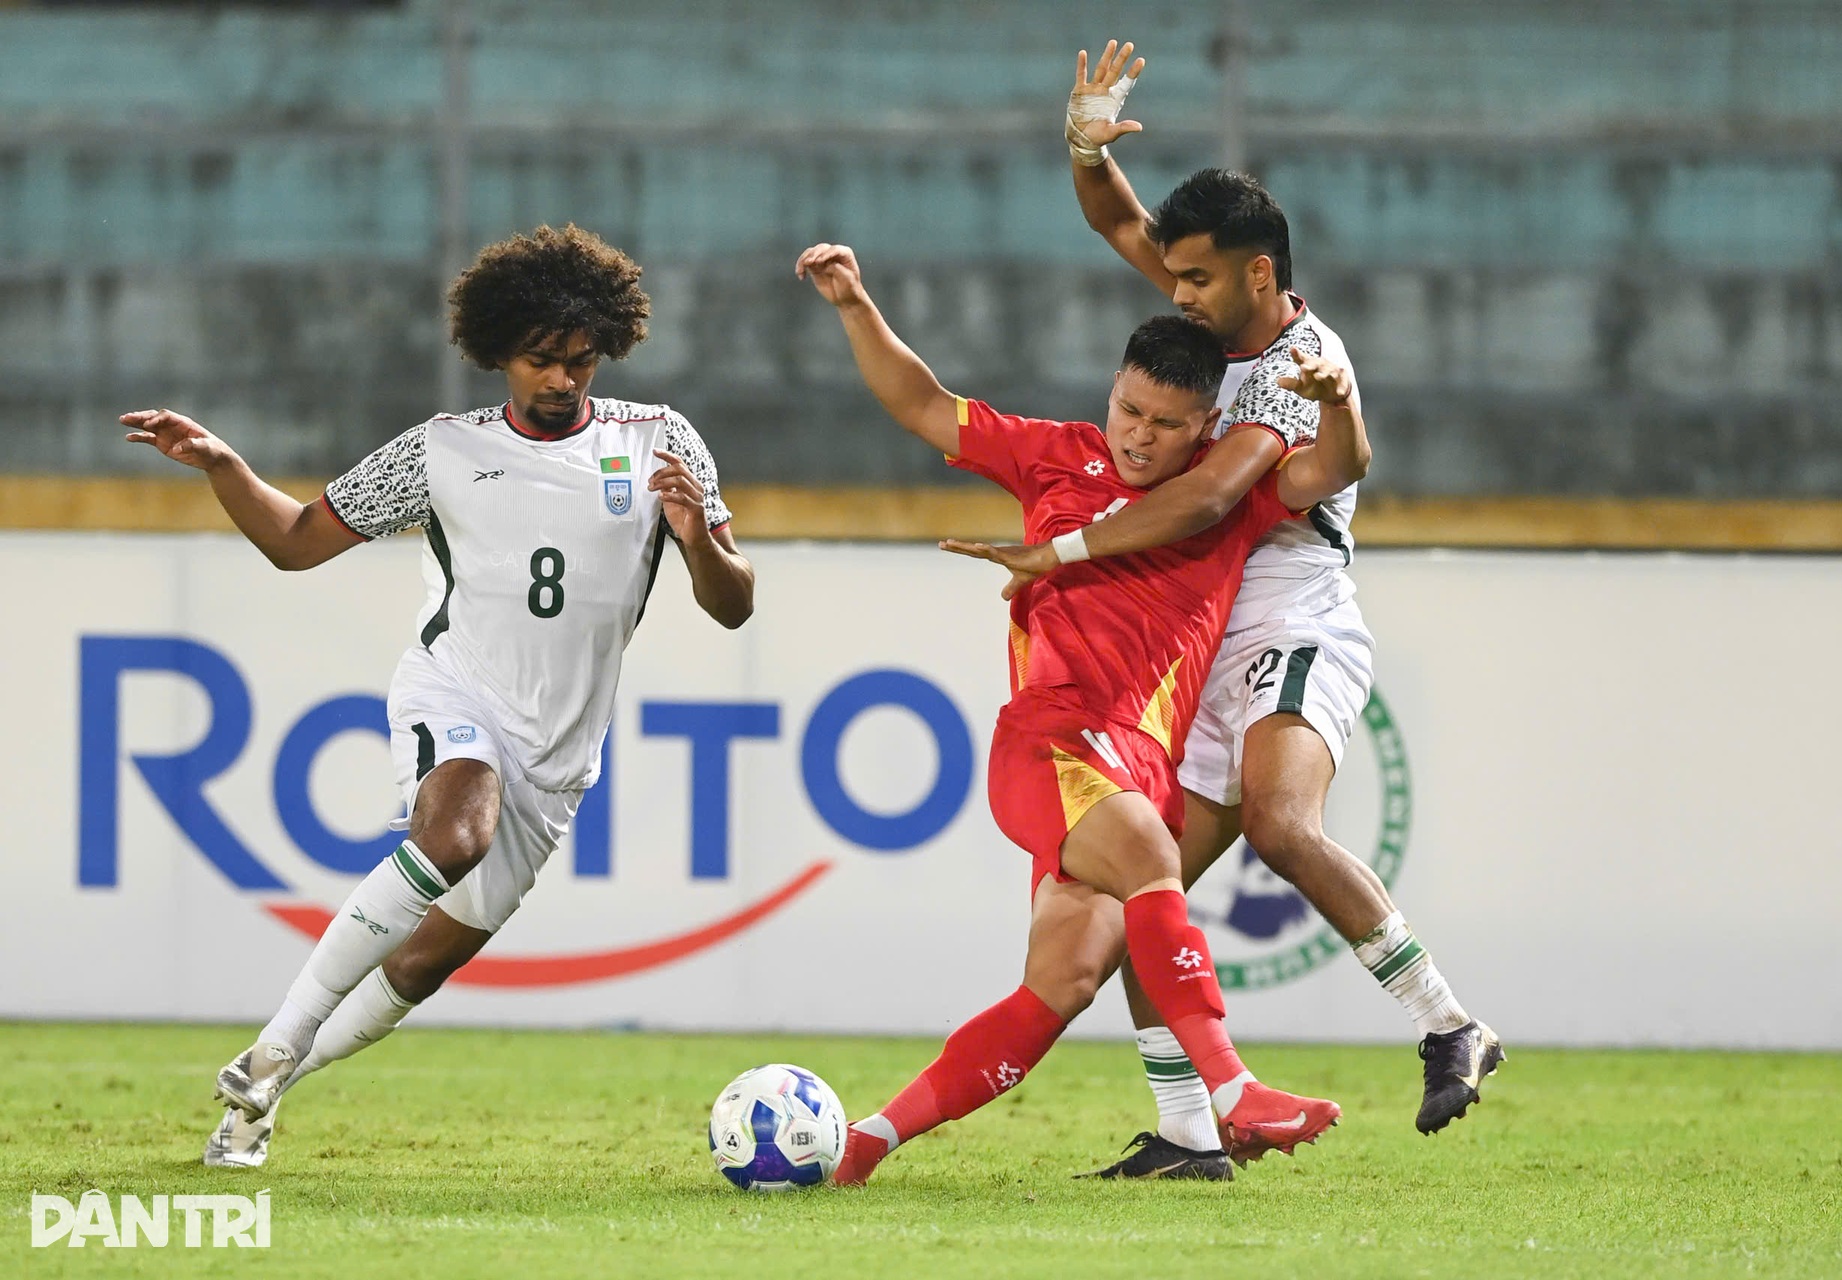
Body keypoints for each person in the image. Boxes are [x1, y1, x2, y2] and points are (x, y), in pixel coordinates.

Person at [970, 41, 1501, 1178]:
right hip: (1202, 643)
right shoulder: (1211, 333)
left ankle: (1448, 1021)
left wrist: (1056, 550)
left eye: (1198, 281)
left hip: (1293, 617)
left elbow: (1207, 498)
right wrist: (1082, 136)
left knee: (1280, 821)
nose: (1176, 294)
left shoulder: (1297, 365)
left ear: (1259, 276)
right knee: (1136, 885)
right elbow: (1119, 221)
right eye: (1176, 280)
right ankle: (1189, 1132)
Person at [122, 224, 754, 1168]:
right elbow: (296, 540)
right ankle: (281, 1040)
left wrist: (698, 537)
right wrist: (225, 467)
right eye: (542, 360)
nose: (563, 380)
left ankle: (259, 1093)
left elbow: (735, 607)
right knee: (455, 831)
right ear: (498, 351)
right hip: (456, 689)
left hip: (562, 754)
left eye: (581, 360)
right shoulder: (441, 451)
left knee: (421, 963)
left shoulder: (663, 441)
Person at [795, 241, 1364, 1186]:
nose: (1139, 436)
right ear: (1112, 390)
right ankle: (1232, 1095)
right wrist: (856, 305)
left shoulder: (1230, 491)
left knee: (1060, 985)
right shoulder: (1053, 456)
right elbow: (925, 403)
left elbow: (1334, 468)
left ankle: (863, 1144)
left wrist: (1338, 398)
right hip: (1051, 743)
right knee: (1151, 857)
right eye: (1129, 409)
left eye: (1167, 424)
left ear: (1204, 427)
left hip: (1136, 768)